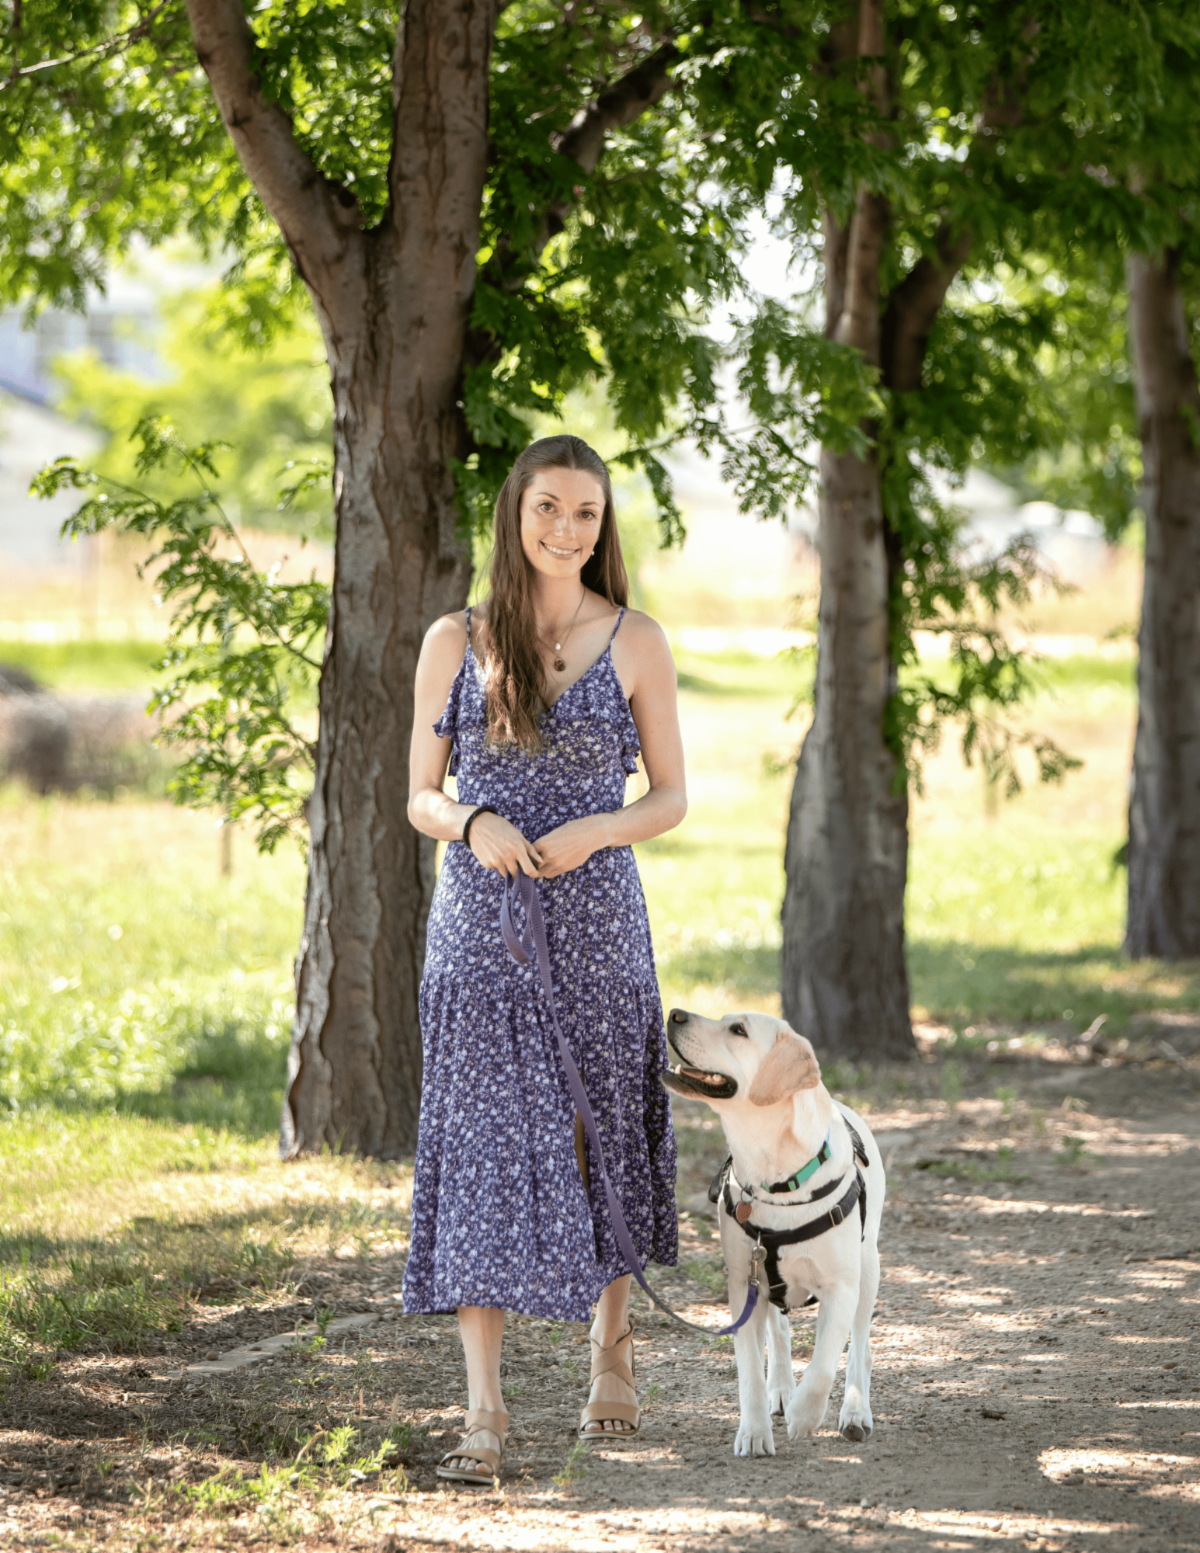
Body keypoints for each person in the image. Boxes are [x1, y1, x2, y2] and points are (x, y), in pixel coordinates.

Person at [403, 434, 687, 1484]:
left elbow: (670, 795)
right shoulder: (457, 638)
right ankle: (483, 1406)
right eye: (550, 507)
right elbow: (419, 793)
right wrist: (471, 819)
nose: (568, 529)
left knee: (599, 1122)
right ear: (513, 512)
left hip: (599, 917)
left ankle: (612, 1352)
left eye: (587, 514)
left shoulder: (637, 640)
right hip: (481, 924)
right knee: (481, 1143)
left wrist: (597, 832)